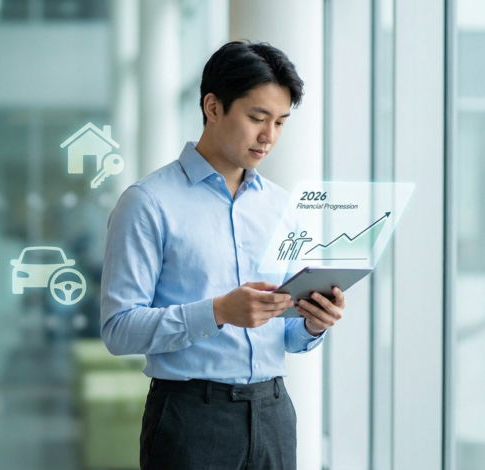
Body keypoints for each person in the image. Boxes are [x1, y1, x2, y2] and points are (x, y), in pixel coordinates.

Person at [100, 41, 346, 470]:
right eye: (257, 118)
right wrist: (217, 311)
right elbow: (118, 329)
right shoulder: (148, 203)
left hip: (273, 413)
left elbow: (286, 335)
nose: (268, 136)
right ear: (213, 107)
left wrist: (311, 323)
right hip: (191, 417)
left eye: (281, 122)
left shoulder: (282, 206)